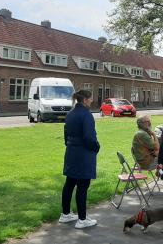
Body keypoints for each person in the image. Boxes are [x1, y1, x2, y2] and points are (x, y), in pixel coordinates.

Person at [59, 90, 100, 229]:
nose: (92, 101)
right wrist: (96, 147)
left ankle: (65, 214)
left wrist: (71, 145)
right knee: (83, 186)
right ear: (85, 100)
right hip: (83, 154)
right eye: (91, 99)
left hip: (71, 152)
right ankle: (82, 219)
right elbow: (89, 137)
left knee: (69, 184)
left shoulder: (70, 113)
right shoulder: (86, 115)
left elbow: (65, 133)